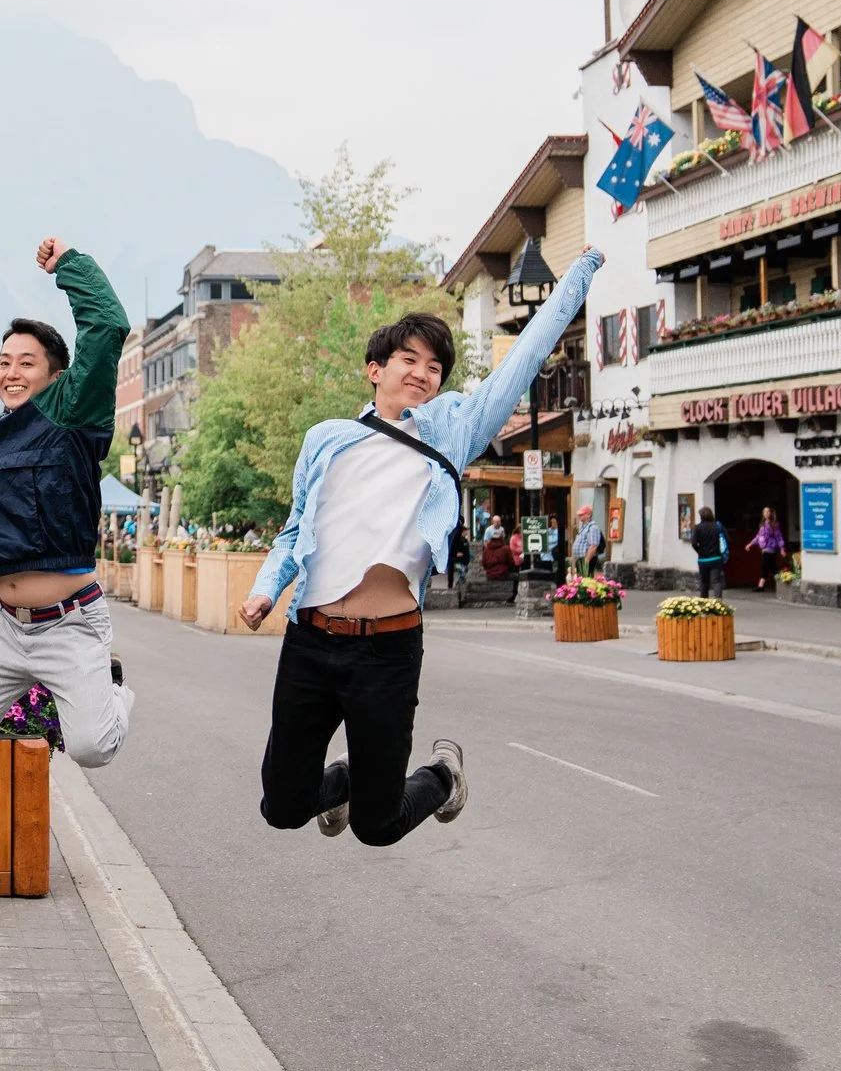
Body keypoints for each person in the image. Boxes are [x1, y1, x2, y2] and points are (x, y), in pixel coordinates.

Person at [240, 248, 603, 849]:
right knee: (281, 807)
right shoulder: (327, 441)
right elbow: (294, 527)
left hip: (387, 652)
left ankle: (442, 775)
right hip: (311, 641)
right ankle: (346, 783)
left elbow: (527, 357)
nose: (421, 373)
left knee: (377, 828)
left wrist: (581, 274)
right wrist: (263, 590)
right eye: (408, 359)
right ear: (374, 369)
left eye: (434, 367)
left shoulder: (454, 432)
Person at [0, 237, 136, 769]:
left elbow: (109, 325)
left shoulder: (73, 413)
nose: (12, 372)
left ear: (56, 376)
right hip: (5, 626)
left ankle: (111, 688)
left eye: (27, 362)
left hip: (68, 623)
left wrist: (69, 265)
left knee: (93, 749)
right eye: (4, 362)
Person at [691, 507, 728, 597]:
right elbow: (727, 539)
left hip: (703, 559)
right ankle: (718, 602)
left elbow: (694, 543)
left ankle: (704, 603)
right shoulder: (718, 526)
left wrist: (700, 551)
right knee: (716, 581)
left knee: (704, 582)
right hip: (716, 557)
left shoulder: (698, 527)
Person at [753, 506, 786, 592]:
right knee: (772, 567)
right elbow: (758, 536)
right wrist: (750, 544)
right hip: (764, 548)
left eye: (768, 512)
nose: (766, 513)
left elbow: (779, 537)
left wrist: (782, 548)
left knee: (765, 566)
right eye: (764, 512)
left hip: (771, 548)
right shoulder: (762, 524)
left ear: (771, 513)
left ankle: (761, 586)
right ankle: (784, 578)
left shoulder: (774, 524)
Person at [570, 505, 606, 580]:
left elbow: (593, 545)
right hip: (581, 559)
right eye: (579, 514)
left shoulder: (592, 527)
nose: (579, 516)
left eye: (581, 514)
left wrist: (586, 561)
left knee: (587, 581)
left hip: (587, 559)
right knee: (581, 581)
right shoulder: (584, 527)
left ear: (589, 515)